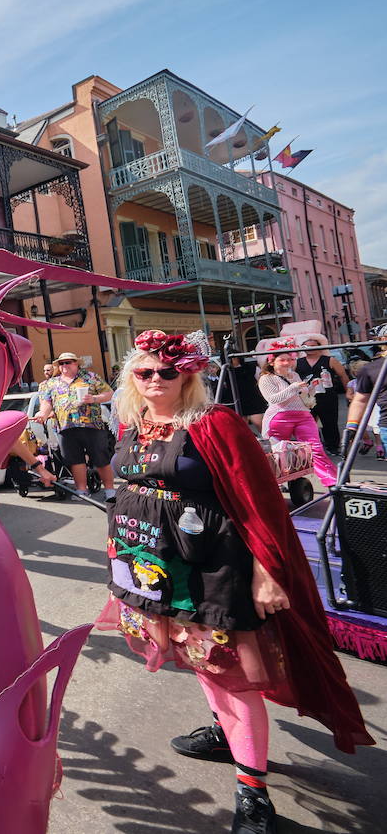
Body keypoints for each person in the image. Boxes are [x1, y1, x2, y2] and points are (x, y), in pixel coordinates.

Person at [96, 329, 371, 834]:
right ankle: (226, 734)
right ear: (130, 377)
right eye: (144, 371)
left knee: (229, 673)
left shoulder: (213, 422)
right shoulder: (131, 423)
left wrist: (268, 573)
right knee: (201, 665)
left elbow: (258, 500)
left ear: (189, 374)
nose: (156, 379)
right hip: (149, 564)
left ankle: (253, 792)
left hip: (212, 567)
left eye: (168, 371)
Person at [32, 351, 116, 501]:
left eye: (68, 362)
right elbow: (46, 403)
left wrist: (94, 398)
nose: (64, 365)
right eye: (61, 363)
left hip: (92, 425)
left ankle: (110, 490)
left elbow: (109, 393)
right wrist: (42, 414)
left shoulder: (90, 377)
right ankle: (82, 491)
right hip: (66, 427)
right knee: (75, 460)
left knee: (101, 458)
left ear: (76, 364)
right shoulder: (50, 383)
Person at [258, 341, 338, 489]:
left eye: (290, 359)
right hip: (280, 417)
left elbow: (303, 396)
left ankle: (332, 481)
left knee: (316, 448)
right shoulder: (266, 378)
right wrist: (293, 387)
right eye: (282, 360)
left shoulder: (294, 374)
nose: (287, 362)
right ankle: (277, 483)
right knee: (280, 453)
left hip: (303, 416)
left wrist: (312, 388)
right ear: (271, 362)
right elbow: (273, 399)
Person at [295, 334, 349, 452]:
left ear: (319, 347)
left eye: (313, 346)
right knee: (308, 424)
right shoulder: (297, 362)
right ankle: (314, 447)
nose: (309, 348)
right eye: (306, 346)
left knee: (330, 422)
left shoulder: (330, 360)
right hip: (306, 398)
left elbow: (343, 376)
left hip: (327, 396)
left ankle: (333, 447)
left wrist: (349, 392)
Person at [216, 352, 267, 432]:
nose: (233, 360)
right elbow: (223, 386)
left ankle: (269, 441)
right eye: (230, 358)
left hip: (253, 398)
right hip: (236, 399)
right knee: (242, 427)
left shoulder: (251, 367)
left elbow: (261, 381)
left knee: (260, 424)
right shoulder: (223, 371)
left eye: (235, 358)